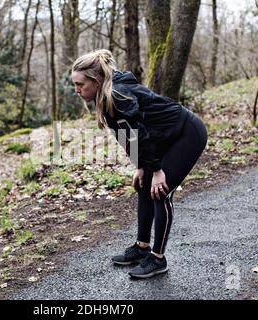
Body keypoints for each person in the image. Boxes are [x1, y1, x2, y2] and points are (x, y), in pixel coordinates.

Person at [71, 49, 207, 279]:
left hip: (187, 133)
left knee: (160, 192)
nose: (76, 90)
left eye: (80, 84)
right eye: (74, 84)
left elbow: (139, 135)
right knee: (144, 186)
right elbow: (127, 136)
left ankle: (158, 259)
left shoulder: (118, 96)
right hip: (164, 135)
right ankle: (142, 247)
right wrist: (140, 168)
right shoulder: (106, 95)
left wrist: (156, 170)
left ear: (96, 81)